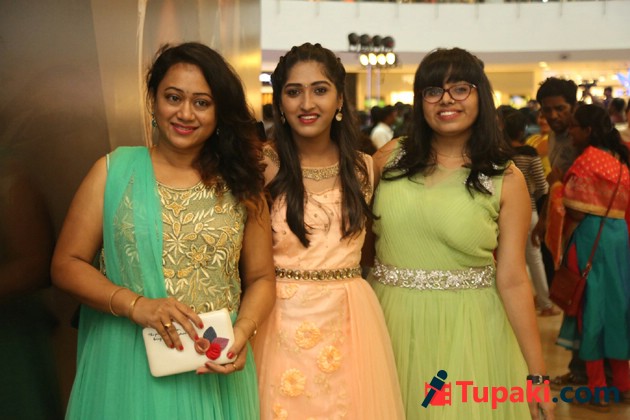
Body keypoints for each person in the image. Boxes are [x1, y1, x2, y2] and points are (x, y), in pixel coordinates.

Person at [51, 42, 276, 419]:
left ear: (219, 111)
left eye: (202, 102)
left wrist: (244, 331)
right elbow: (66, 264)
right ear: (153, 100)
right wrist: (136, 305)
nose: (185, 113)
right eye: (173, 97)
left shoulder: (242, 185)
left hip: (210, 365)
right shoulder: (113, 171)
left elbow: (262, 278)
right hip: (127, 361)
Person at [368, 47, 554, 419]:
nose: (446, 99)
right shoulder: (389, 158)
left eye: (460, 88)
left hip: (468, 329)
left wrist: (537, 376)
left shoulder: (506, 177)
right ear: (420, 101)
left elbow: (514, 279)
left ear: (480, 96)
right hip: (387, 320)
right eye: (433, 90)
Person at [252, 43, 404, 420]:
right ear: (279, 103)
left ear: (339, 100)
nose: (307, 103)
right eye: (294, 92)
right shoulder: (262, 166)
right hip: (278, 319)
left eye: (320, 90)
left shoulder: (365, 168)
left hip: (350, 320)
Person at [551, 104, 630, 411]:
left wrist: (557, 186)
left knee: (590, 310)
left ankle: (597, 389)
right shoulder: (619, 161)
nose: (570, 131)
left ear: (588, 130)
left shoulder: (586, 161)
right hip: (618, 238)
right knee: (617, 309)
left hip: (591, 239)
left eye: (575, 126)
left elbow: (574, 208)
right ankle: (623, 384)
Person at [502, 110, 558, 317]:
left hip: (504, 214)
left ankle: (511, 305)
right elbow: (543, 186)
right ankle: (545, 303)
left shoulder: (500, 155)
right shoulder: (530, 153)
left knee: (509, 259)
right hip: (529, 210)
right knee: (535, 259)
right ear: (522, 131)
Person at [525, 110, 552, 176]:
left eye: (548, 118)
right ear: (537, 118)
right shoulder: (533, 138)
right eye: (542, 117)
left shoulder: (552, 139)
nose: (544, 121)